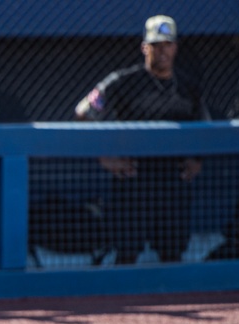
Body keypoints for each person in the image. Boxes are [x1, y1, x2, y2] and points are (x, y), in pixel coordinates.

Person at [75, 15, 209, 265]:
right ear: (144, 47)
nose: (162, 51)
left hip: (173, 181)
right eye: (156, 45)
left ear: (175, 47)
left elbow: (205, 127)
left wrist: (197, 160)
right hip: (133, 180)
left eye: (167, 44)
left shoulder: (189, 87)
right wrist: (106, 158)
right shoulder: (123, 81)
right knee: (127, 254)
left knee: (172, 254)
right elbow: (84, 112)